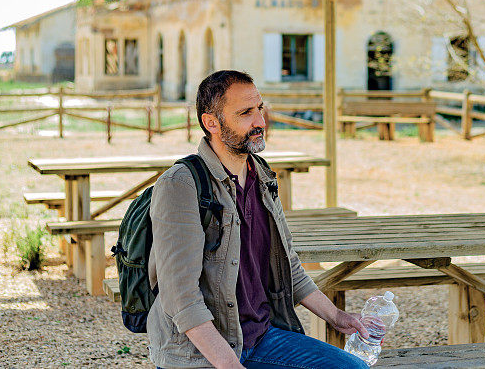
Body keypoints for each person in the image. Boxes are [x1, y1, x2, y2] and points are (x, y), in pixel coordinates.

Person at [147, 70, 369, 369]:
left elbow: (288, 265)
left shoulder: (261, 174)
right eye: (246, 113)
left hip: (260, 338)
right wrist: (230, 365)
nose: (260, 122)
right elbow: (181, 298)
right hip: (198, 353)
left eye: (260, 108)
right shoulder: (181, 184)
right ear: (211, 122)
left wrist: (337, 316)